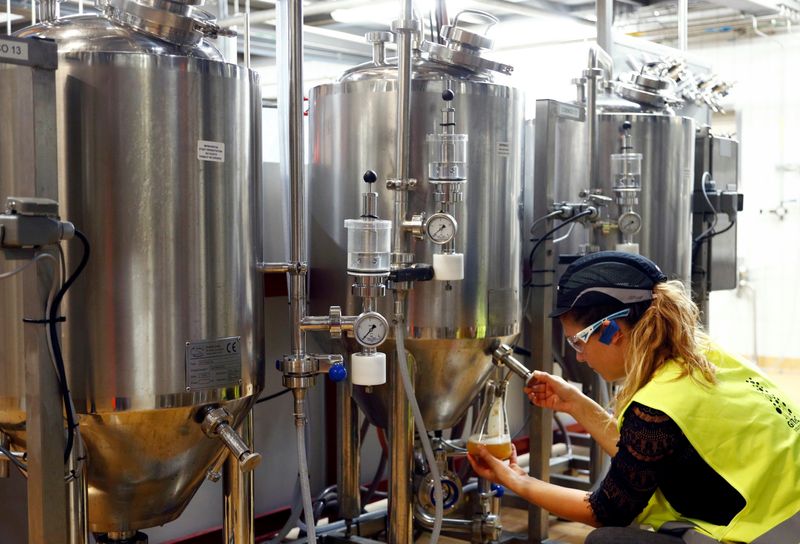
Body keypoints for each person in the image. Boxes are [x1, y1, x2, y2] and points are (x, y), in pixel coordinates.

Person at [468, 251, 800, 543]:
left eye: (578, 343)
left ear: (613, 329)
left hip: (767, 533)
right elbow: (645, 457)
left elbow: (606, 510)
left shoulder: (657, 405)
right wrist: (574, 403)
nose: (579, 357)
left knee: (608, 540)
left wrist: (514, 479)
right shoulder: (701, 356)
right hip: (786, 517)